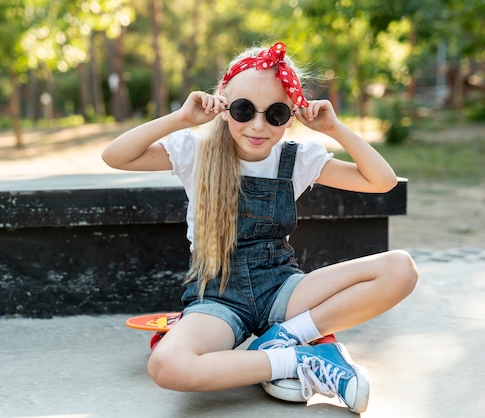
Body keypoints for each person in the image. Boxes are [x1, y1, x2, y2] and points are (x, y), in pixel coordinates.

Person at [101, 41, 418, 414]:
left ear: (291, 116)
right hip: (215, 297)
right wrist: (182, 118)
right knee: (167, 366)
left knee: (401, 268)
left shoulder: (297, 158)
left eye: (276, 114)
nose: (257, 125)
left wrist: (335, 128)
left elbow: (382, 182)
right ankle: (298, 360)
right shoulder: (195, 151)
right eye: (243, 109)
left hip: (282, 289)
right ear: (222, 106)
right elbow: (115, 156)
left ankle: (286, 337)